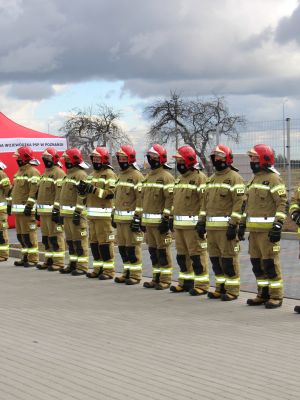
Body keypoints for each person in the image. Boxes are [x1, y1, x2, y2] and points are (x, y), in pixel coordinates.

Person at [241, 144, 287, 309]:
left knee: (270, 264)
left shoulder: (274, 178)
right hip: (253, 232)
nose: (251, 161)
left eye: (254, 158)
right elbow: (247, 205)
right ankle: (263, 293)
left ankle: (276, 296)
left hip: (267, 232)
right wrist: (241, 225)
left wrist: (277, 226)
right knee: (256, 264)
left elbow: (282, 203)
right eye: (251, 158)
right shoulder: (254, 179)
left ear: (263, 159)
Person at [197, 144, 245, 301]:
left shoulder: (235, 178)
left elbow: (240, 203)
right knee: (216, 260)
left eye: (221, 157)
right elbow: (205, 204)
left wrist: (234, 224)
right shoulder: (210, 179)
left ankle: (232, 290)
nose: (217, 160)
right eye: (215, 157)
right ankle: (220, 287)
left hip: (226, 229)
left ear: (227, 159)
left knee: (228, 259)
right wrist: (201, 221)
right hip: (211, 229)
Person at [170, 145, 209, 295]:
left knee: (197, 256)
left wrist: (201, 222)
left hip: (193, 227)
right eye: (177, 161)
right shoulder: (180, 179)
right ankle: (185, 282)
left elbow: (204, 202)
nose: (179, 163)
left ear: (189, 161)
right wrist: (171, 218)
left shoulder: (200, 178)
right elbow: (176, 201)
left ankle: (202, 284)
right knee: (182, 257)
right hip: (179, 227)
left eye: (181, 160)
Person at [77, 147, 117, 280]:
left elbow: (110, 194)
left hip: (104, 217)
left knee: (105, 244)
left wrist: (93, 189)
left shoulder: (109, 174)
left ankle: (108, 271)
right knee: (94, 244)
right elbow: (86, 194)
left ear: (104, 159)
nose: (95, 161)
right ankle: (97, 268)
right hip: (92, 216)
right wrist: (82, 191)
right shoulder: (92, 174)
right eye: (94, 158)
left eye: (98, 158)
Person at [140, 144, 175, 290]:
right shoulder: (148, 177)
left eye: (154, 156)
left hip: (160, 223)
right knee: (153, 252)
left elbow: (170, 200)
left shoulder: (166, 177)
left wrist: (167, 219)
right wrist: (142, 219)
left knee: (163, 252)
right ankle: (156, 277)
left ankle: (165, 279)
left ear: (161, 158)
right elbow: (143, 200)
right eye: (150, 156)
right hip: (149, 224)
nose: (151, 159)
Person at [55, 148, 89, 276]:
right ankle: (73, 264)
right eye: (65, 159)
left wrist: (78, 212)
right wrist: (60, 212)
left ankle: (82, 266)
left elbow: (82, 195)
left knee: (80, 241)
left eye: (68, 159)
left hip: (77, 216)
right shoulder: (68, 175)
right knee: (71, 241)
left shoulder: (80, 174)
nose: (66, 161)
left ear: (75, 160)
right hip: (67, 215)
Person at [114, 145, 144, 285]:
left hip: (131, 220)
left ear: (130, 159)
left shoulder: (136, 176)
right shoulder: (120, 175)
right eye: (120, 158)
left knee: (132, 248)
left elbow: (140, 198)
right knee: (123, 248)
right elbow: (117, 197)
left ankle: (135, 275)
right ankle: (126, 273)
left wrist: (138, 217)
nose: (121, 160)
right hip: (120, 220)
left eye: (124, 158)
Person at [10, 146, 40, 267]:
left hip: (28, 212)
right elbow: (14, 191)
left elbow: (34, 191)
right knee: (21, 236)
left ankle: (33, 259)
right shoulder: (19, 172)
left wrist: (29, 205)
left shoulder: (33, 172)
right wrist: (9, 204)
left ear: (24, 158)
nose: (17, 159)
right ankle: (25, 257)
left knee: (30, 235)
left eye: (18, 157)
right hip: (18, 212)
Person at [36, 147, 66, 271]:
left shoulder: (59, 173)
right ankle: (49, 260)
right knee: (46, 238)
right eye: (44, 157)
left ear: (54, 158)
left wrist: (57, 209)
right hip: (44, 214)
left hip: (52, 213)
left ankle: (58, 262)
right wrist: (38, 210)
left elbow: (60, 194)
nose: (45, 159)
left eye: (48, 157)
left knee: (55, 237)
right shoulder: (44, 173)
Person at [0, 161, 11, 261]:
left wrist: (9, 205)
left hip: (0, 210)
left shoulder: (1, 174)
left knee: (1, 232)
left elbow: (8, 191)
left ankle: (3, 255)